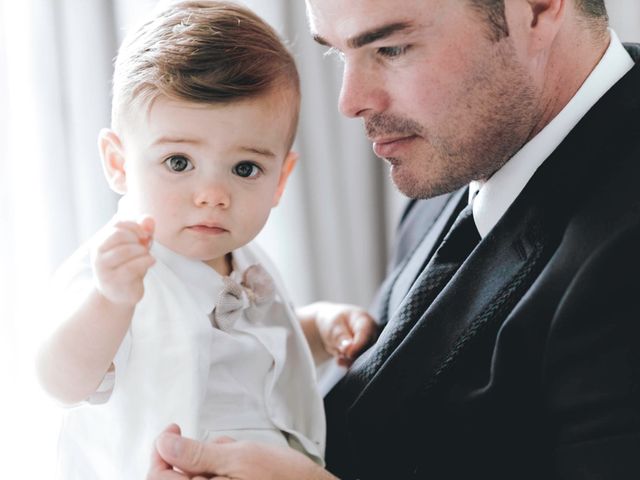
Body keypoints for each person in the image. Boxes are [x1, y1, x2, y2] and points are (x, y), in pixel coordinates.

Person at [148, 0, 640, 478]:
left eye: (391, 49)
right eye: (338, 53)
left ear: (535, 8)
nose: (350, 101)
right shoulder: (461, 152)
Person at [35, 2, 377, 479]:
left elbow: (243, 354)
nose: (213, 195)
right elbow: (59, 381)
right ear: (118, 162)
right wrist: (108, 300)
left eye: (245, 169)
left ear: (280, 179)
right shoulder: (117, 268)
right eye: (178, 162)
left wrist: (316, 332)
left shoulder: (242, 260)